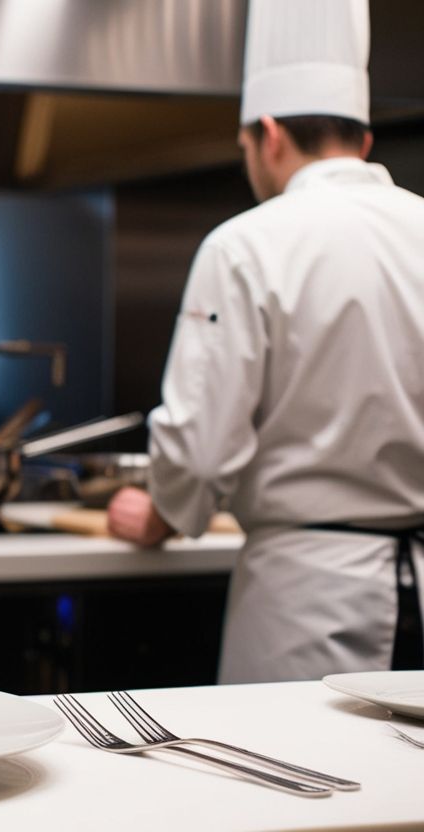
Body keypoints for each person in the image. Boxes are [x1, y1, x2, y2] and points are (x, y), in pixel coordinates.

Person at [108, 0, 424, 683]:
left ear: (269, 136)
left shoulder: (246, 243)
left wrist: (161, 513)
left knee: (293, 781)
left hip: (307, 598)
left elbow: (199, 451)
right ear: (363, 143)